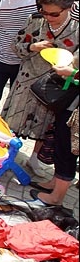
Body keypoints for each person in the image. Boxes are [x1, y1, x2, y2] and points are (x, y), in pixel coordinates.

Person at [0, 0, 79, 176]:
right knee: (12, 120)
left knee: (45, 124)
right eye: (44, 12)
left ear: (68, 8)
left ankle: (34, 158)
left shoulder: (76, 29)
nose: (48, 18)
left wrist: (70, 68)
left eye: (54, 14)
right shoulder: (34, 21)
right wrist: (33, 47)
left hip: (55, 85)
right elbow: (16, 45)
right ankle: (2, 153)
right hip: (27, 79)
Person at [30, 49, 79, 207]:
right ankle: (55, 183)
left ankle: (57, 197)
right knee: (60, 143)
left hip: (76, 112)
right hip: (71, 104)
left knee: (67, 150)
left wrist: (72, 73)